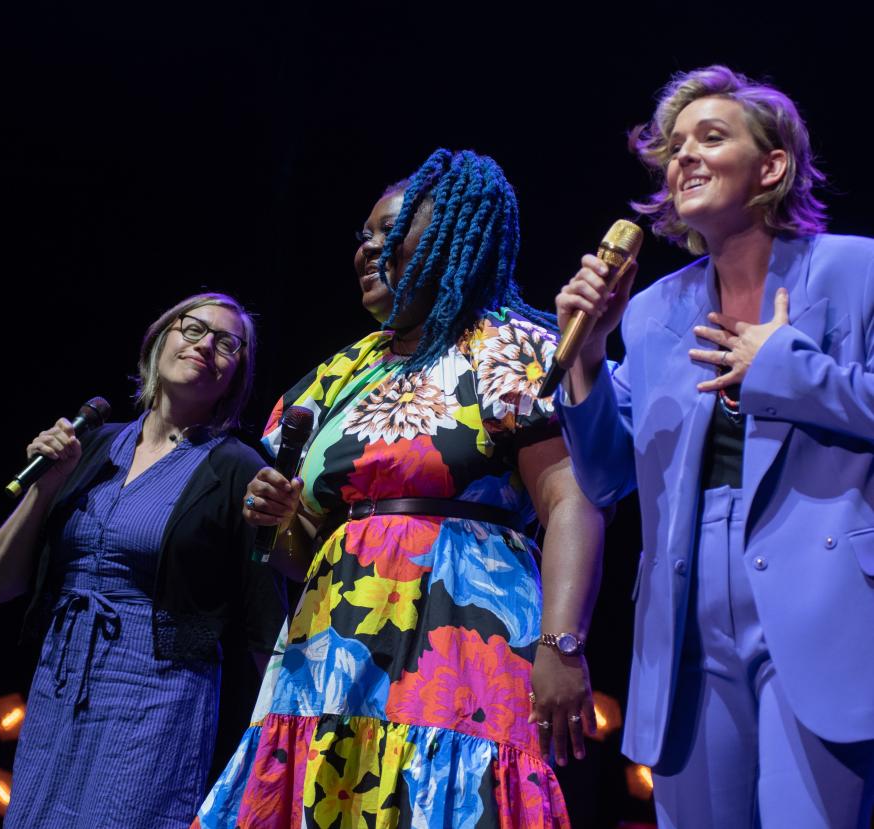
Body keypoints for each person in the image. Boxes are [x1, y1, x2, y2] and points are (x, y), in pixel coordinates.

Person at [197, 149, 606, 828]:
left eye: (388, 229)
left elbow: (570, 498)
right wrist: (278, 520)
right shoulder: (335, 376)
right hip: (331, 650)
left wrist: (562, 643)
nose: (368, 248)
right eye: (362, 235)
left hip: (466, 642)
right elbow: (304, 549)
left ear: (452, 235)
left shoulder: (514, 348)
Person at [554, 65, 874, 827]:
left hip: (821, 597)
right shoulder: (654, 310)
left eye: (711, 137)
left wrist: (787, 369)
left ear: (771, 166)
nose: (683, 158)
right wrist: (588, 358)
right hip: (686, 614)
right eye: (674, 147)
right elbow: (604, 477)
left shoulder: (858, 270)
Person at [0, 292, 288, 828]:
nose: (205, 345)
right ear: (158, 342)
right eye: (191, 329)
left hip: (157, 695)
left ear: (236, 374)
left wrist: (278, 744)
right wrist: (46, 485)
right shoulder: (91, 446)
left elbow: (264, 619)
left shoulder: (237, 468)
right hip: (61, 681)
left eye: (227, 343)